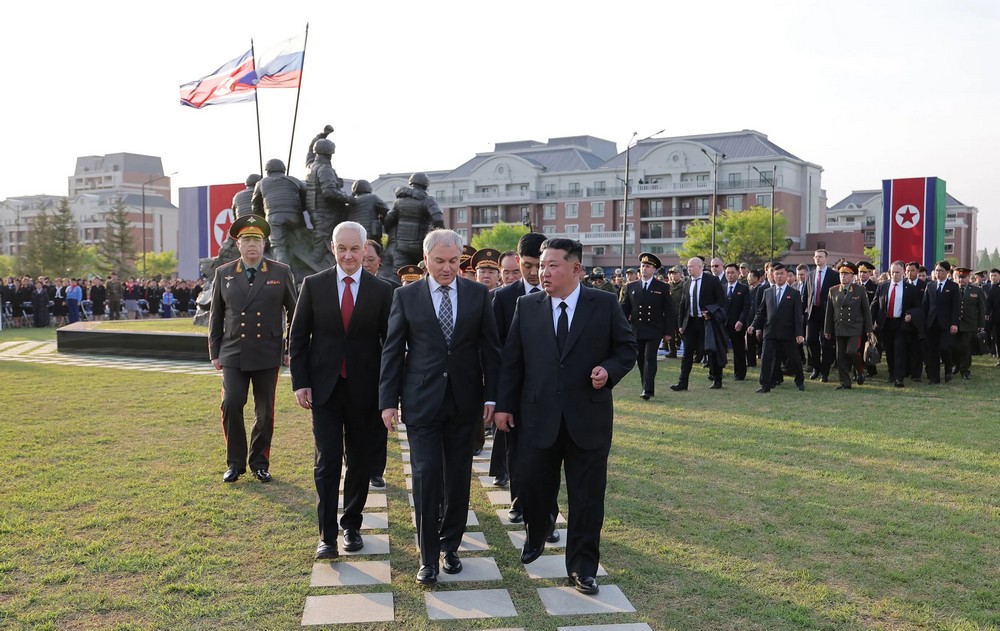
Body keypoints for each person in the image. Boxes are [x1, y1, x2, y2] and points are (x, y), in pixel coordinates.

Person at [494, 237, 637, 596]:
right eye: (541, 265)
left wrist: (608, 370)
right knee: (531, 485)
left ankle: (582, 567)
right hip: (536, 417)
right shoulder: (527, 307)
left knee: (587, 498)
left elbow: (626, 348)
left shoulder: (603, 304)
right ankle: (538, 528)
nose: (543, 272)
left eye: (552, 265)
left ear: (576, 269)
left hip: (587, 419)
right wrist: (504, 406)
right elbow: (513, 361)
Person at [378, 229, 501, 586]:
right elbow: (392, 351)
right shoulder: (406, 296)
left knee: (458, 479)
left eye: (453, 261)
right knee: (425, 476)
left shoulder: (478, 294)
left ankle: (450, 547)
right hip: (420, 402)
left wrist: (491, 397)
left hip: (465, 403)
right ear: (426, 258)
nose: (446, 268)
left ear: (461, 259)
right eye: (439, 261)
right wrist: (388, 401)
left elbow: (491, 351)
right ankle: (427, 556)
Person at [289, 221, 394, 560]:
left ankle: (351, 525)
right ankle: (327, 536)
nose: (349, 255)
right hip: (325, 390)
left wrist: (389, 392)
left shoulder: (382, 290)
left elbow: (390, 344)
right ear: (332, 249)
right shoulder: (314, 285)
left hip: (366, 391)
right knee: (327, 461)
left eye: (355, 249)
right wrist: (300, 382)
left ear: (365, 250)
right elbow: (298, 337)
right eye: (342, 248)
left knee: (361, 461)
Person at [209, 215, 298, 484]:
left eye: (256, 240)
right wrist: (214, 351)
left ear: (264, 243)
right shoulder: (224, 273)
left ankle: (259, 462)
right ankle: (235, 464)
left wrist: (289, 347)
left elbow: (294, 313)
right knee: (231, 402)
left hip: (267, 350)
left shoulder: (280, 271)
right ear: (238, 244)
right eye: (246, 240)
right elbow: (216, 315)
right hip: (234, 350)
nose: (251, 245)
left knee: (265, 411)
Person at [490, 232, 546, 514]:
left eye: (540, 265)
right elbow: (495, 349)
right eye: (528, 265)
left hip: (548, 389)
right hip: (514, 388)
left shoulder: (559, 292)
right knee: (515, 446)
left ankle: (546, 508)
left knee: (547, 451)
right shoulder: (503, 298)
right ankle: (518, 500)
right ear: (517, 260)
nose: (535, 273)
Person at [620, 252, 674, 399]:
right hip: (636, 329)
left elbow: (669, 311)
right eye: (643, 266)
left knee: (649, 357)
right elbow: (624, 309)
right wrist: (622, 328)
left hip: (654, 329)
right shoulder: (630, 286)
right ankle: (646, 385)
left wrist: (668, 331)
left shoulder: (662, 287)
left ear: (654, 270)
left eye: (648, 266)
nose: (644, 269)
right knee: (640, 359)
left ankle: (647, 390)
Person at [747, 262, 805, 392]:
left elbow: (797, 316)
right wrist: (753, 325)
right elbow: (761, 312)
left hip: (788, 332)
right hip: (770, 332)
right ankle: (765, 385)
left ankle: (799, 380)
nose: (779, 276)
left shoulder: (794, 293)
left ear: (787, 275)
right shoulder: (767, 292)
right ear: (773, 275)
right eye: (776, 274)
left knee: (794, 359)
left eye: (782, 274)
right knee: (766, 359)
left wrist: (799, 333)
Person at [671, 257, 727, 391]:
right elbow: (683, 305)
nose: (688, 268)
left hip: (707, 322)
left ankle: (717, 379)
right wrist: (680, 325)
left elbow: (721, 300)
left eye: (691, 266)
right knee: (687, 354)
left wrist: (710, 311)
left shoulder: (711, 281)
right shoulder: (687, 283)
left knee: (711, 351)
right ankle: (682, 382)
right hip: (690, 322)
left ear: (700, 267)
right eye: (688, 266)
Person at [870, 261, 921, 387]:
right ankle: (891, 373)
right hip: (886, 323)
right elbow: (875, 305)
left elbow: (917, 307)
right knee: (889, 350)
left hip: (901, 323)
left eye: (898, 272)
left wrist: (911, 315)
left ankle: (899, 377)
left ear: (903, 273)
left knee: (899, 350)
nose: (895, 275)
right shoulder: (883, 286)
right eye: (892, 272)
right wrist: (869, 324)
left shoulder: (910, 289)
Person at [824, 262, 874, 390]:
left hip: (855, 328)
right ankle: (845, 382)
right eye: (841, 274)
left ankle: (860, 370)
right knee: (840, 356)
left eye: (846, 274)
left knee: (851, 351)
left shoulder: (860, 290)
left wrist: (869, 330)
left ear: (852, 276)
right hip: (840, 327)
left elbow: (866, 312)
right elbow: (829, 312)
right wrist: (827, 329)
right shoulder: (833, 290)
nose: (843, 277)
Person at [253, 158, 308, 269]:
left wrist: (264, 216)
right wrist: (298, 209)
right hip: (295, 217)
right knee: (303, 241)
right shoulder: (295, 180)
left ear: (267, 171)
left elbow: (255, 206)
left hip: (274, 218)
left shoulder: (261, 183)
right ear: (283, 170)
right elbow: (307, 198)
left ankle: (283, 274)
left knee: (279, 247)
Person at [382, 172, 444, 271]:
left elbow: (388, 220)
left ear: (411, 184)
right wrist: (437, 237)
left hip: (401, 246)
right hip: (420, 245)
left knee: (400, 273)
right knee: (422, 273)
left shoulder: (399, 202)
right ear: (426, 185)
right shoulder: (428, 200)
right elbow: (438, 219)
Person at [305, 139, 350, 270]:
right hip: (326, 212)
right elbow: (329, 192)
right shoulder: (325, 169)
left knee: (323, 242)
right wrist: (350, 199)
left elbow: (309, 153)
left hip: (315, 211)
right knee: (320, 245)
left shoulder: (310, 166)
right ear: (330, 153)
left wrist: (322, 135)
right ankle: (311, 271)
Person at [922, 260, 960, 384]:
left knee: (944, 348)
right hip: (932, 323)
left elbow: (956, 307)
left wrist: (954, 323)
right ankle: (934, 377)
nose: (938, 273)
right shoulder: (930, 285)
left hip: (946, 324)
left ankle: (948, 368)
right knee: (932, 351)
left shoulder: (953, 287)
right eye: (937, 270)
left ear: (947, 272)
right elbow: (925, 305)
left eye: (941, 271)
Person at [806, 249, 838, 381]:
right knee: (810, 340)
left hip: (827, 314)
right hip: (812, 313)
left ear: (826, 258)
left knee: (827, 343)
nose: (817, 259)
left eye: (820, 257)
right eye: (815, 257)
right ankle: (816, 367)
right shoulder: (810, 275)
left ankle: (825, 372)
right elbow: (806, 295)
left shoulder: (834, 275)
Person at [953, 267, 986, 379]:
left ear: (969, 278)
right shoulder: (952, 289)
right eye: (959, 277)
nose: (961, 280)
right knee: (955, 347)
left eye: (963, 277)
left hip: (969, 324)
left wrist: (981, 325)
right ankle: (956, 365)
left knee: (966, 348)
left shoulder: (976, 290)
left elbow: (981, 309)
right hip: (954, 323)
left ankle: (965, 370)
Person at [722, 263, 752, 381]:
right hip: (724, 323)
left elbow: (746, 307)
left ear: (738, 274)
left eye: (732, 272)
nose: (730, 275)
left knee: (738, 349)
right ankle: (716, 371)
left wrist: (740, 321)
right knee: (720, 348)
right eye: (728, 273)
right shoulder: (722, 288)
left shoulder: (743, 288)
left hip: (737, 324)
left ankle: (740, 373)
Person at [347, 179, 388, 243]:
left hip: (352, 234)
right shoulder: (373, 198)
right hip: (371, 233)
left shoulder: (350, 202)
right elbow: (386, 212)